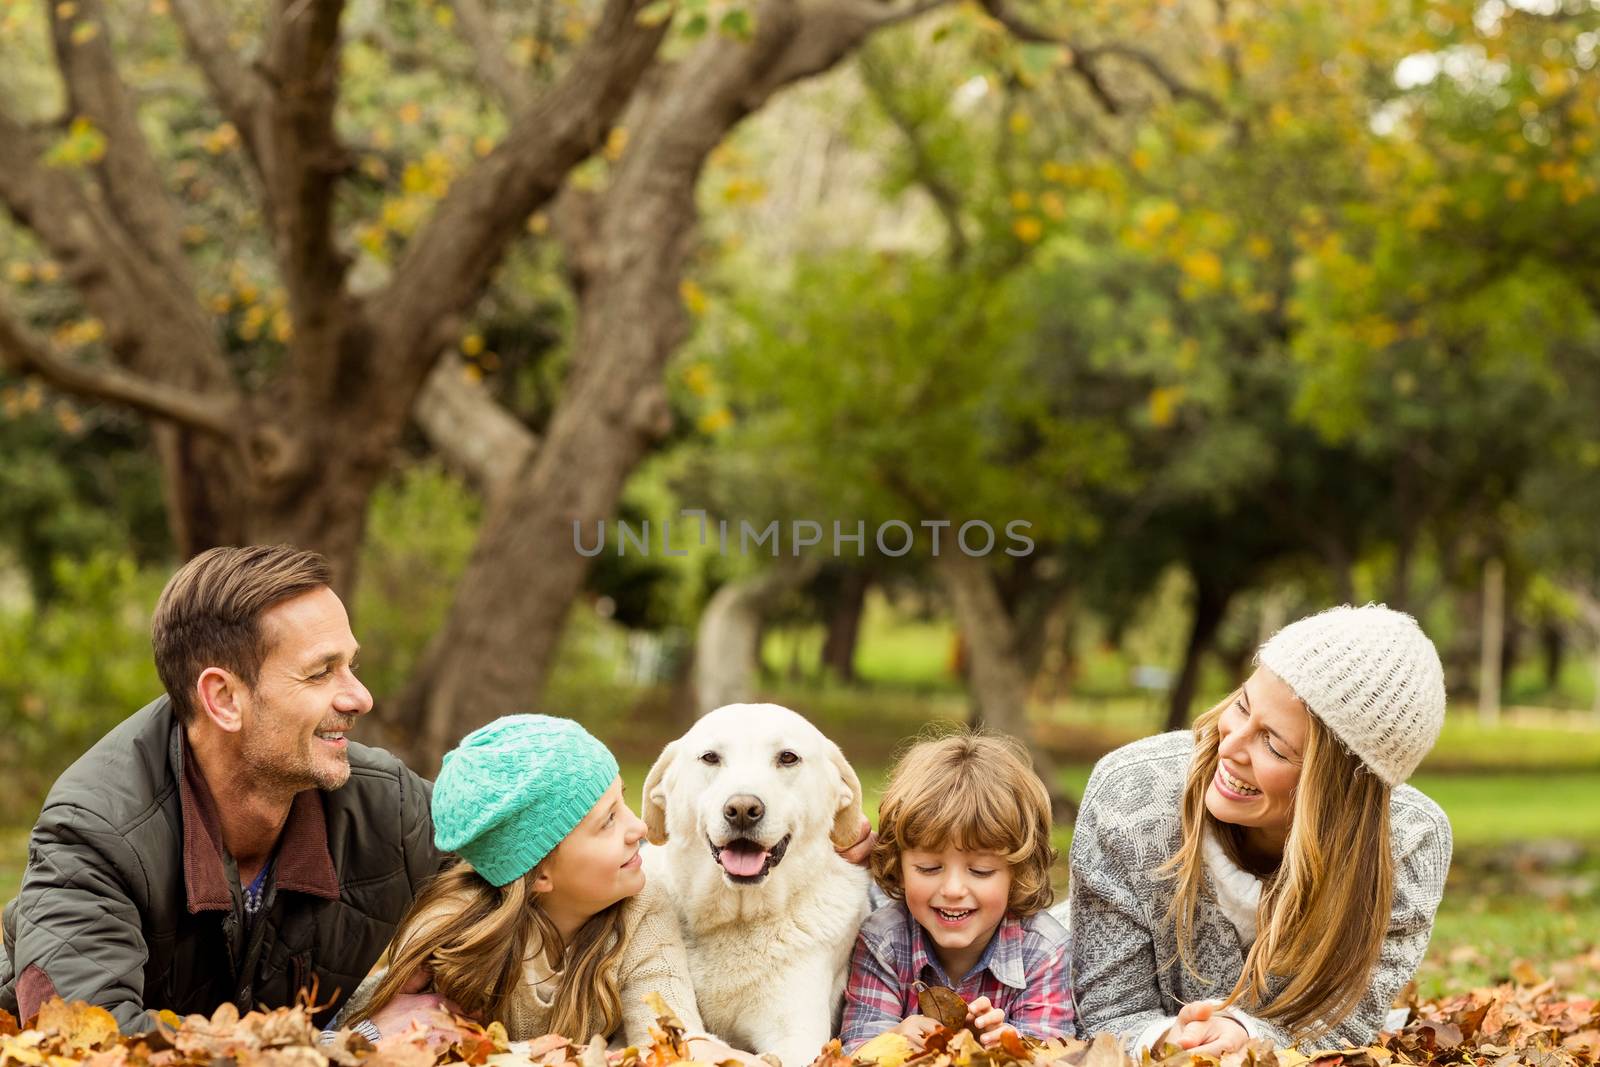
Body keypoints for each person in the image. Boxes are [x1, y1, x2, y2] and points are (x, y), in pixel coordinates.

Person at [0, 546, 450, 1034]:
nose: (360, 698)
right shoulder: (96, 833)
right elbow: (84, 1047)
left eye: (351, 667)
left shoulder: (388, 802)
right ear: (224, 699)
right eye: (321, 672)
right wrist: (355, 1041)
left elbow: (523, 875)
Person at [1069, 604, 1453, 1053]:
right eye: (1241, 706)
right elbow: (1107, 1013)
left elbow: (1345, 1022)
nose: (1228, 745)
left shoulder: (1408, 845)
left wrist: (1250, 1038)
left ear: (1339, 789)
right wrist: (1166, 1041)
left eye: (1272, 743)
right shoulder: (1130, 795)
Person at [342, 714, 750, 1058]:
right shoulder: (457, 934)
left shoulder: (643, 908)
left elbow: (668, 1041)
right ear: (538, 874)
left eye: (622, 801)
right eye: (608, 821)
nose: (639, 828)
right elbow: (355, 1034)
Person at [838, 733, 1073, 1053]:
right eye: (929, 869)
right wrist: (894, 1041)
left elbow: (1055, 1055)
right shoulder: (884, 940)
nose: (952, 890)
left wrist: (1008, 1047)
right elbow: (857, 1051)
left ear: (1016, 872)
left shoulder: (1044, 950)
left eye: (980, 871)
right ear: (899, 864)